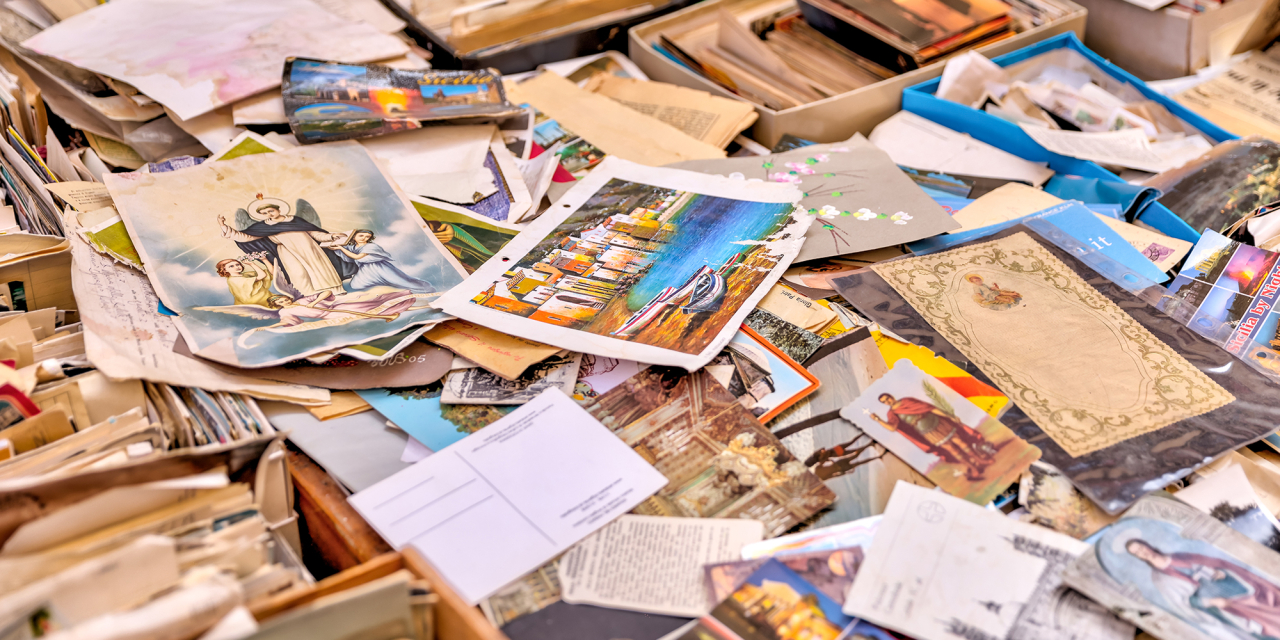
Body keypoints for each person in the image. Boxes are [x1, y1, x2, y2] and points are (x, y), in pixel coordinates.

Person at [1126, 538, 1280, 640]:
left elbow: (1217, 563)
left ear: (1146, 544)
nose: (1142, 552)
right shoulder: (1160, 579)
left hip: (1235, 588)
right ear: (1137, 557)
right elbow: (1183, 603)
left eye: (1140, 547)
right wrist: (1212, 601)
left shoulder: (1179, 556)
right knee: (1262, 623)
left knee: (1268, 599)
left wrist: (1220, 572)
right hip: (1219, 605)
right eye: (1137, 552)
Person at [218, 196, 353, 298]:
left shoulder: (295, 220)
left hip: (309, 248)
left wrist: (331, 236)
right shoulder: (263, 227)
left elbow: (314, 233)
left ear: (278, 209)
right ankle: (310, 296)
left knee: (320, 269)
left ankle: (335, 292)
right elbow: (245, 237)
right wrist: (224, 226)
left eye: (270, 211)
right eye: (264, 213)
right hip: (287, 252)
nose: (268, 214)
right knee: (297, 273)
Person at [866, 393, 997, 480]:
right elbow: (892, 428)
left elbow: (930, 408)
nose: (888, 401)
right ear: (884, 404)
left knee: (961, 442)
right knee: (952, 450)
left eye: (888, 398)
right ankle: (974, 469)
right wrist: (878, 419)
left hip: (938, 423)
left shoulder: (907, 400)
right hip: (926, 432)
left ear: (891, 396)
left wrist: (949, 416)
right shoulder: (891, 414)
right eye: (885, 401)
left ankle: (980, 461)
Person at [331, 229, 435, 293]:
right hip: (365, 270)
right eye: (361, 235)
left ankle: (424, 289)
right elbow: (345, 253)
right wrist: (334, 246)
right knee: (356, 285)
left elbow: (357, 257)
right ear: (354, 236)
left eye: (367, 237)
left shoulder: (371, 246)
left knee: (399, 282)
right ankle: (383, 291)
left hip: (379, 268)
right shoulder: (352, 246)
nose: (364, 238)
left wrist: (341, 248)